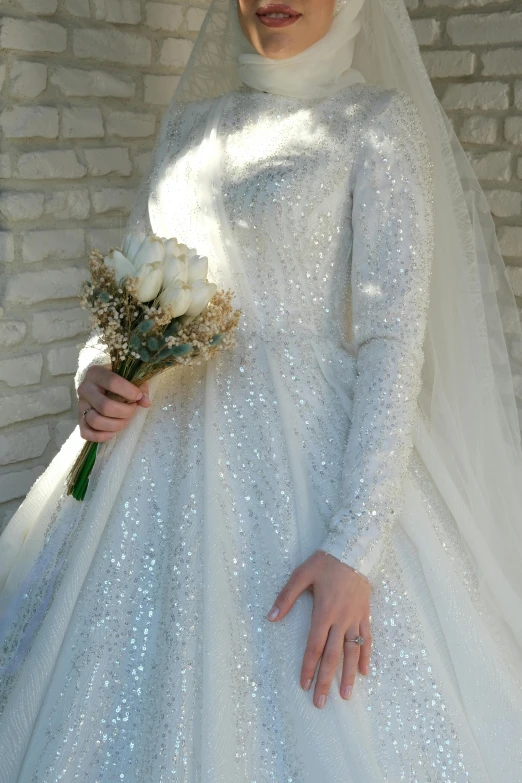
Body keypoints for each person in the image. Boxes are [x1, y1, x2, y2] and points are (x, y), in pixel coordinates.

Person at [1, 0, 522, 779]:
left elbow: (391, 338)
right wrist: (94, 370)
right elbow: (136, 284)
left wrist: (354, 546)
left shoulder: (374, 122)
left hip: (306, 452)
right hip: (153, 454)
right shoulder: (190, 128)